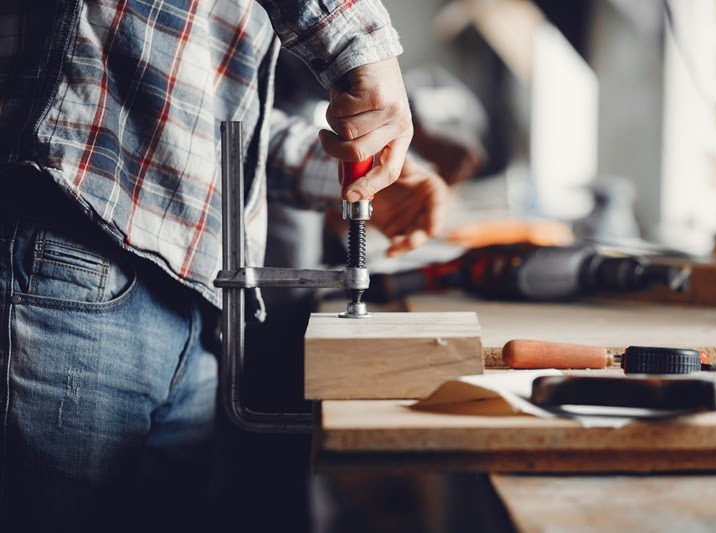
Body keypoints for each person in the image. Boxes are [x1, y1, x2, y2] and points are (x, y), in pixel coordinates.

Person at [0, 1, 445, 530]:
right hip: (77, 241)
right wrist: (367, 50)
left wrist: (342, 175)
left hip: (191, 296)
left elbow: (209, 125)